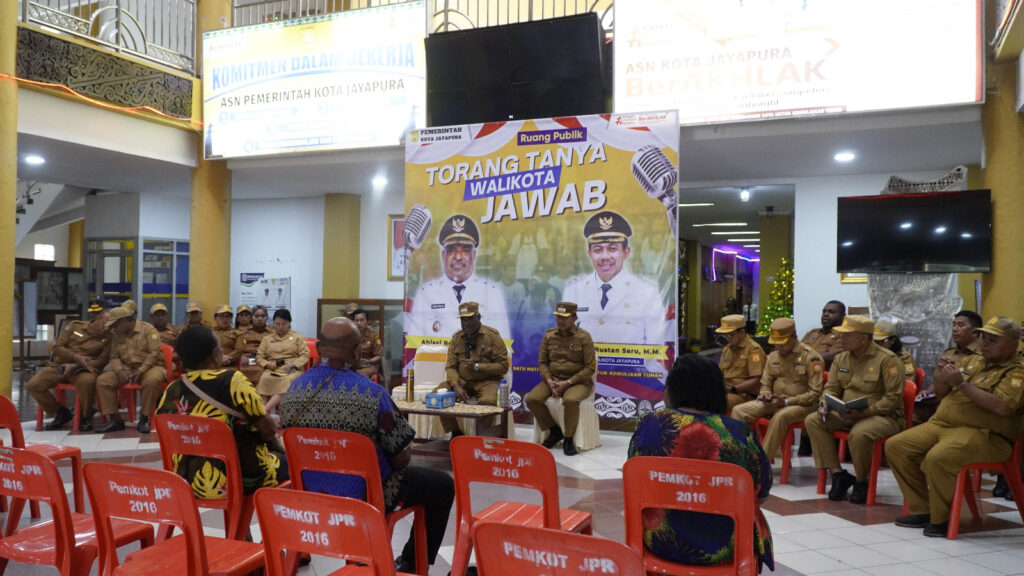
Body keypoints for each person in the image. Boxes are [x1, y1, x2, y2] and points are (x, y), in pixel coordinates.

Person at [279, 317, 454, 572]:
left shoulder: (294, 390)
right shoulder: (372, 394)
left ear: (319, 347)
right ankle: (410, 565)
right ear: (357, 351)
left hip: (309, 491)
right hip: (366, 498)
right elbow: (401, 458)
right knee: (442, 485)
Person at [628, 354, 774, 572]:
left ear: (673, 390)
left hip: (659, 540)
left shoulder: (649, 425)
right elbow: (761, 492)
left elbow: (635, 479)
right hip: (730, 546)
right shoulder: (738, 432)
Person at [886, 316, 1024, 537]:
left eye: (993, 340)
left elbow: (1002, 407)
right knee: (896, 446)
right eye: (984, 338)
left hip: (985, 435)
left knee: (938, 457)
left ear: (1014, 343)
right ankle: (922, 509)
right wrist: (942, 376)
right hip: (943, 425)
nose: (985, 344)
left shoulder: (1017, 371)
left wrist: (961, 383)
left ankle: (941, 519)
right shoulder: (973, 361)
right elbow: (941, 393)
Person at [155, 325, 286, 496]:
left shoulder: (172, 390)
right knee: (294, 465)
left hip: (186, 481)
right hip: (237, 479)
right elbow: (268, 430)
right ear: (215, 354)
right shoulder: (232, 381)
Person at [804, 315, 905, 504]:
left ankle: (861, 481)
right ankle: (838, 474)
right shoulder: (841, 358)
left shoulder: (887, 360)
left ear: (864, 338)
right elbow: (831, 388)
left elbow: (892, 399)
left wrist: (865, 412)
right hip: (847, 412)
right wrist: (824, 403)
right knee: (814, 420)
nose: (841, 338)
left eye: (847, 335)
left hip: (883, 416)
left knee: (859, 434)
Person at [563, 211, 666, 347]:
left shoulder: (647, 292)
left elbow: (655, 347)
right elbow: (565, 340)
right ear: (589, 253)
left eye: (612, 249)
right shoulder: (573, 290)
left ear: (626, 252)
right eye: (597, 250)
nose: (605, 257)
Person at [732, 318, 824, 461]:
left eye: (783, 343)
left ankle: (761, 463)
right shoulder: (773, 356)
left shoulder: (811, 357)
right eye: (776, 342)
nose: (779, 346)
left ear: (794, 336)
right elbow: (765, 382)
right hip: (774, 401)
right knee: (739, 411)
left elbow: (815, 393)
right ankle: (739, 457)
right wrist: (765, 393)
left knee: (781, 416)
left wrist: (786, 401)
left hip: (802, 405)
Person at [406, 214, 510, 339]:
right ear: (443, 255)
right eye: (451, 250)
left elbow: (502, 345)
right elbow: (415, 344)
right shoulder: (425, 294)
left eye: (465, 250)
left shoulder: (492, 293)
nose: (458, 257)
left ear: (474, 255)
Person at [525, 302, 597, 456]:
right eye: (558, 317)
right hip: (553, 379)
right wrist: (549, 381)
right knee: (532, 399)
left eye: (565, 317)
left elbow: (590, 368)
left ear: (574, 318)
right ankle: (555, 431)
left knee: (570, 400)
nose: (560, 321)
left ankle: (569, 438)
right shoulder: (549, 335)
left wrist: (568, 382)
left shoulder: (584, 337)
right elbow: (542, 363)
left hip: (577, 382)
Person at [28, 300, 111, 431]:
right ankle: (61, 412)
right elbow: (57, 347)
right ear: (96, 318)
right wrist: (75, 357)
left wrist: (76, 365)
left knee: (87, 382)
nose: (106, 326)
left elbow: (101, 361)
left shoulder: (109, 338)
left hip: (83, 369)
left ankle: (85, 416)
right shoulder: (75, 327)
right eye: (104, 321)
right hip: (61, 366)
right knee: (34, 385)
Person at [434, 302, 509, 438]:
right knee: (438, 395)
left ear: (478, 317)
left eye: (469, 319)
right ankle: (456, 433)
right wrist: (455, 385)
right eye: (463, 319)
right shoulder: (457, 338)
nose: (466, 323)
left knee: (488, 402)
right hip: (463, 382)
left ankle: (483, 436)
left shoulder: (492, 336)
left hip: (487, 381)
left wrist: (478, 366)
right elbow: (451, 367)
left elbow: (503, 366)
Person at [95, 306, 166, 434]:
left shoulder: (148, 330)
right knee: (103, 381)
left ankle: (144, 418)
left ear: (124, 321)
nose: (113, 328)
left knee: (152, 380)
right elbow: (114, 356)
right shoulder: (117, 335)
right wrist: (119, 371)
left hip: (151, 367)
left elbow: (154, 353)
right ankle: (115, 420)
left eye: (115, 325)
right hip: (127, 368)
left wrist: (141, 370)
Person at [915, 310, 982, 425]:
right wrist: (928, 392)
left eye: (960, 325)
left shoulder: (983, 356)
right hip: (938, 402)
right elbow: (936, 383)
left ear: (975, 331)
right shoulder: (949, 353)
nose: (955, 329)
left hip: (961, 406)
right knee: (911, 414)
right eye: (954, 325)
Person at [255, 308, 309, 411]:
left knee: (287, 380)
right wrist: (267, 364)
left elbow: (305, 355)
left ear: (289, 323)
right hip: (273, 369)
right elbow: (259, 356)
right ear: (273, 323)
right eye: (277, 324)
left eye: (284, 324)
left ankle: (265, 410)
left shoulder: (297, 337)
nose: (280, 327)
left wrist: (293, 365)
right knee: (264, 378)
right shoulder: (267, 339)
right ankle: (263, 410)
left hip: (292, 369)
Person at [715, 314, 766, 411]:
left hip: (743, 394)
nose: (727, 338)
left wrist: (733, 389)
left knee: (716, 403)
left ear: (742, 332)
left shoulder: (753, 349)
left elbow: (757, 380)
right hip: (725, 391)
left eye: (731, 335)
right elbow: (719, 374)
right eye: (725, 335)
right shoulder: (727, 349)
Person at [234, 305, 275, 384]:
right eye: (256, 316)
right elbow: (239, 348)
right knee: (245, 368)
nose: (260, 319)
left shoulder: (272, 333)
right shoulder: (243, 332)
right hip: (248, 359)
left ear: (266, 318)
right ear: (251, 318)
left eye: (263, 316)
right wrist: (242, 356)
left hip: (265, 359)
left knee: (263, 369)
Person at [801, 300, 847, 369]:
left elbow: (832, 356)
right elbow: (798, 350)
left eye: (831, 312)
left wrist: (805, 359)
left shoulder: (844, 334)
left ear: (843, 316)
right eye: (824, 311)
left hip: (823, 373)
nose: (826, 314)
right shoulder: (812, 332)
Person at [353, 308, 383, 380]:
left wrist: (368, 361)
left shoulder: (373, 336)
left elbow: (378, 356)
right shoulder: (350, 335)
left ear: (367, 321)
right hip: (354, 364)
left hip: (370, 364)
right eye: (357, 320)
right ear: (353, 322)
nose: (359, 323)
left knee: (360, 374)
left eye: (362, 320)